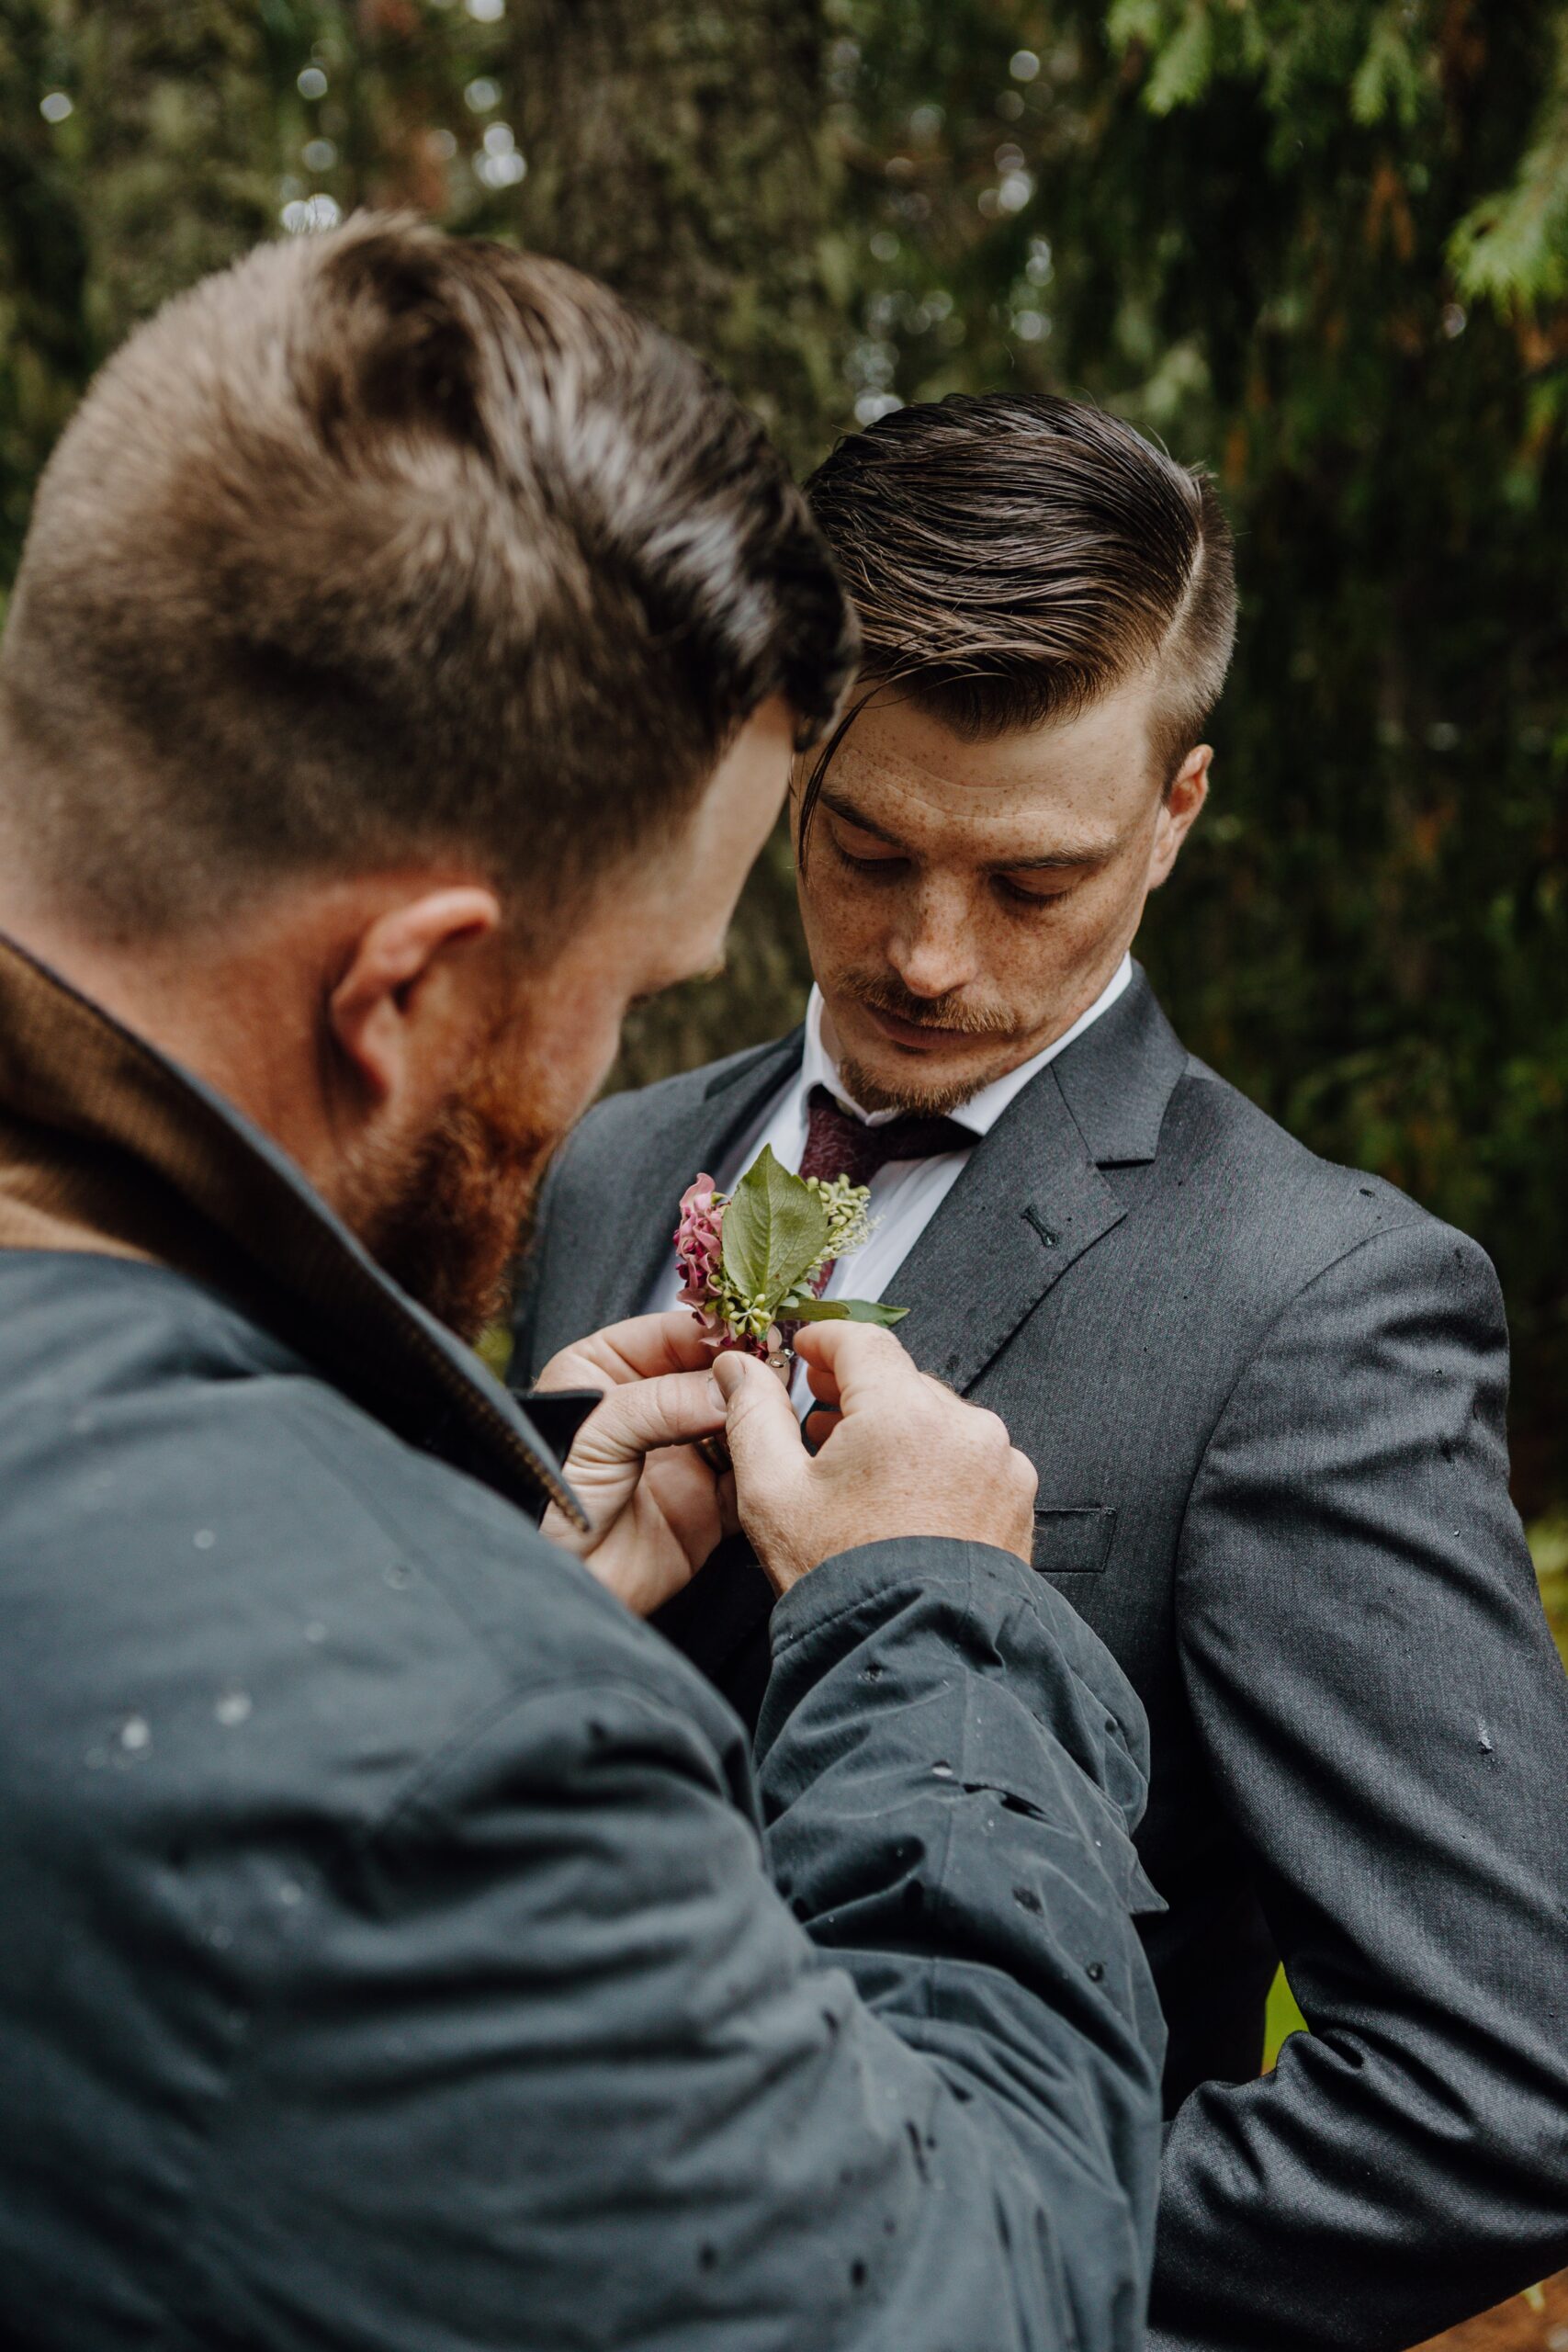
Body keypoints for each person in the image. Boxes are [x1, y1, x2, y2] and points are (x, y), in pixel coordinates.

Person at [0, 227, 1168, 2349]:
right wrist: (940, 1631)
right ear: (405, 991)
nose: (630, 1072)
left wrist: (514, 1575)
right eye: (628, 988)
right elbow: (970, 2304)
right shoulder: (447, 1763)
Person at [514, 393, 1568, 2351]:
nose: (922, 955)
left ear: (1170, 816)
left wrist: (943, 2263)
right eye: (863, 847)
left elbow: (1493, 2087)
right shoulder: (597, 1165)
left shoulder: (1318, 1303)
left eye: (1029, 884)